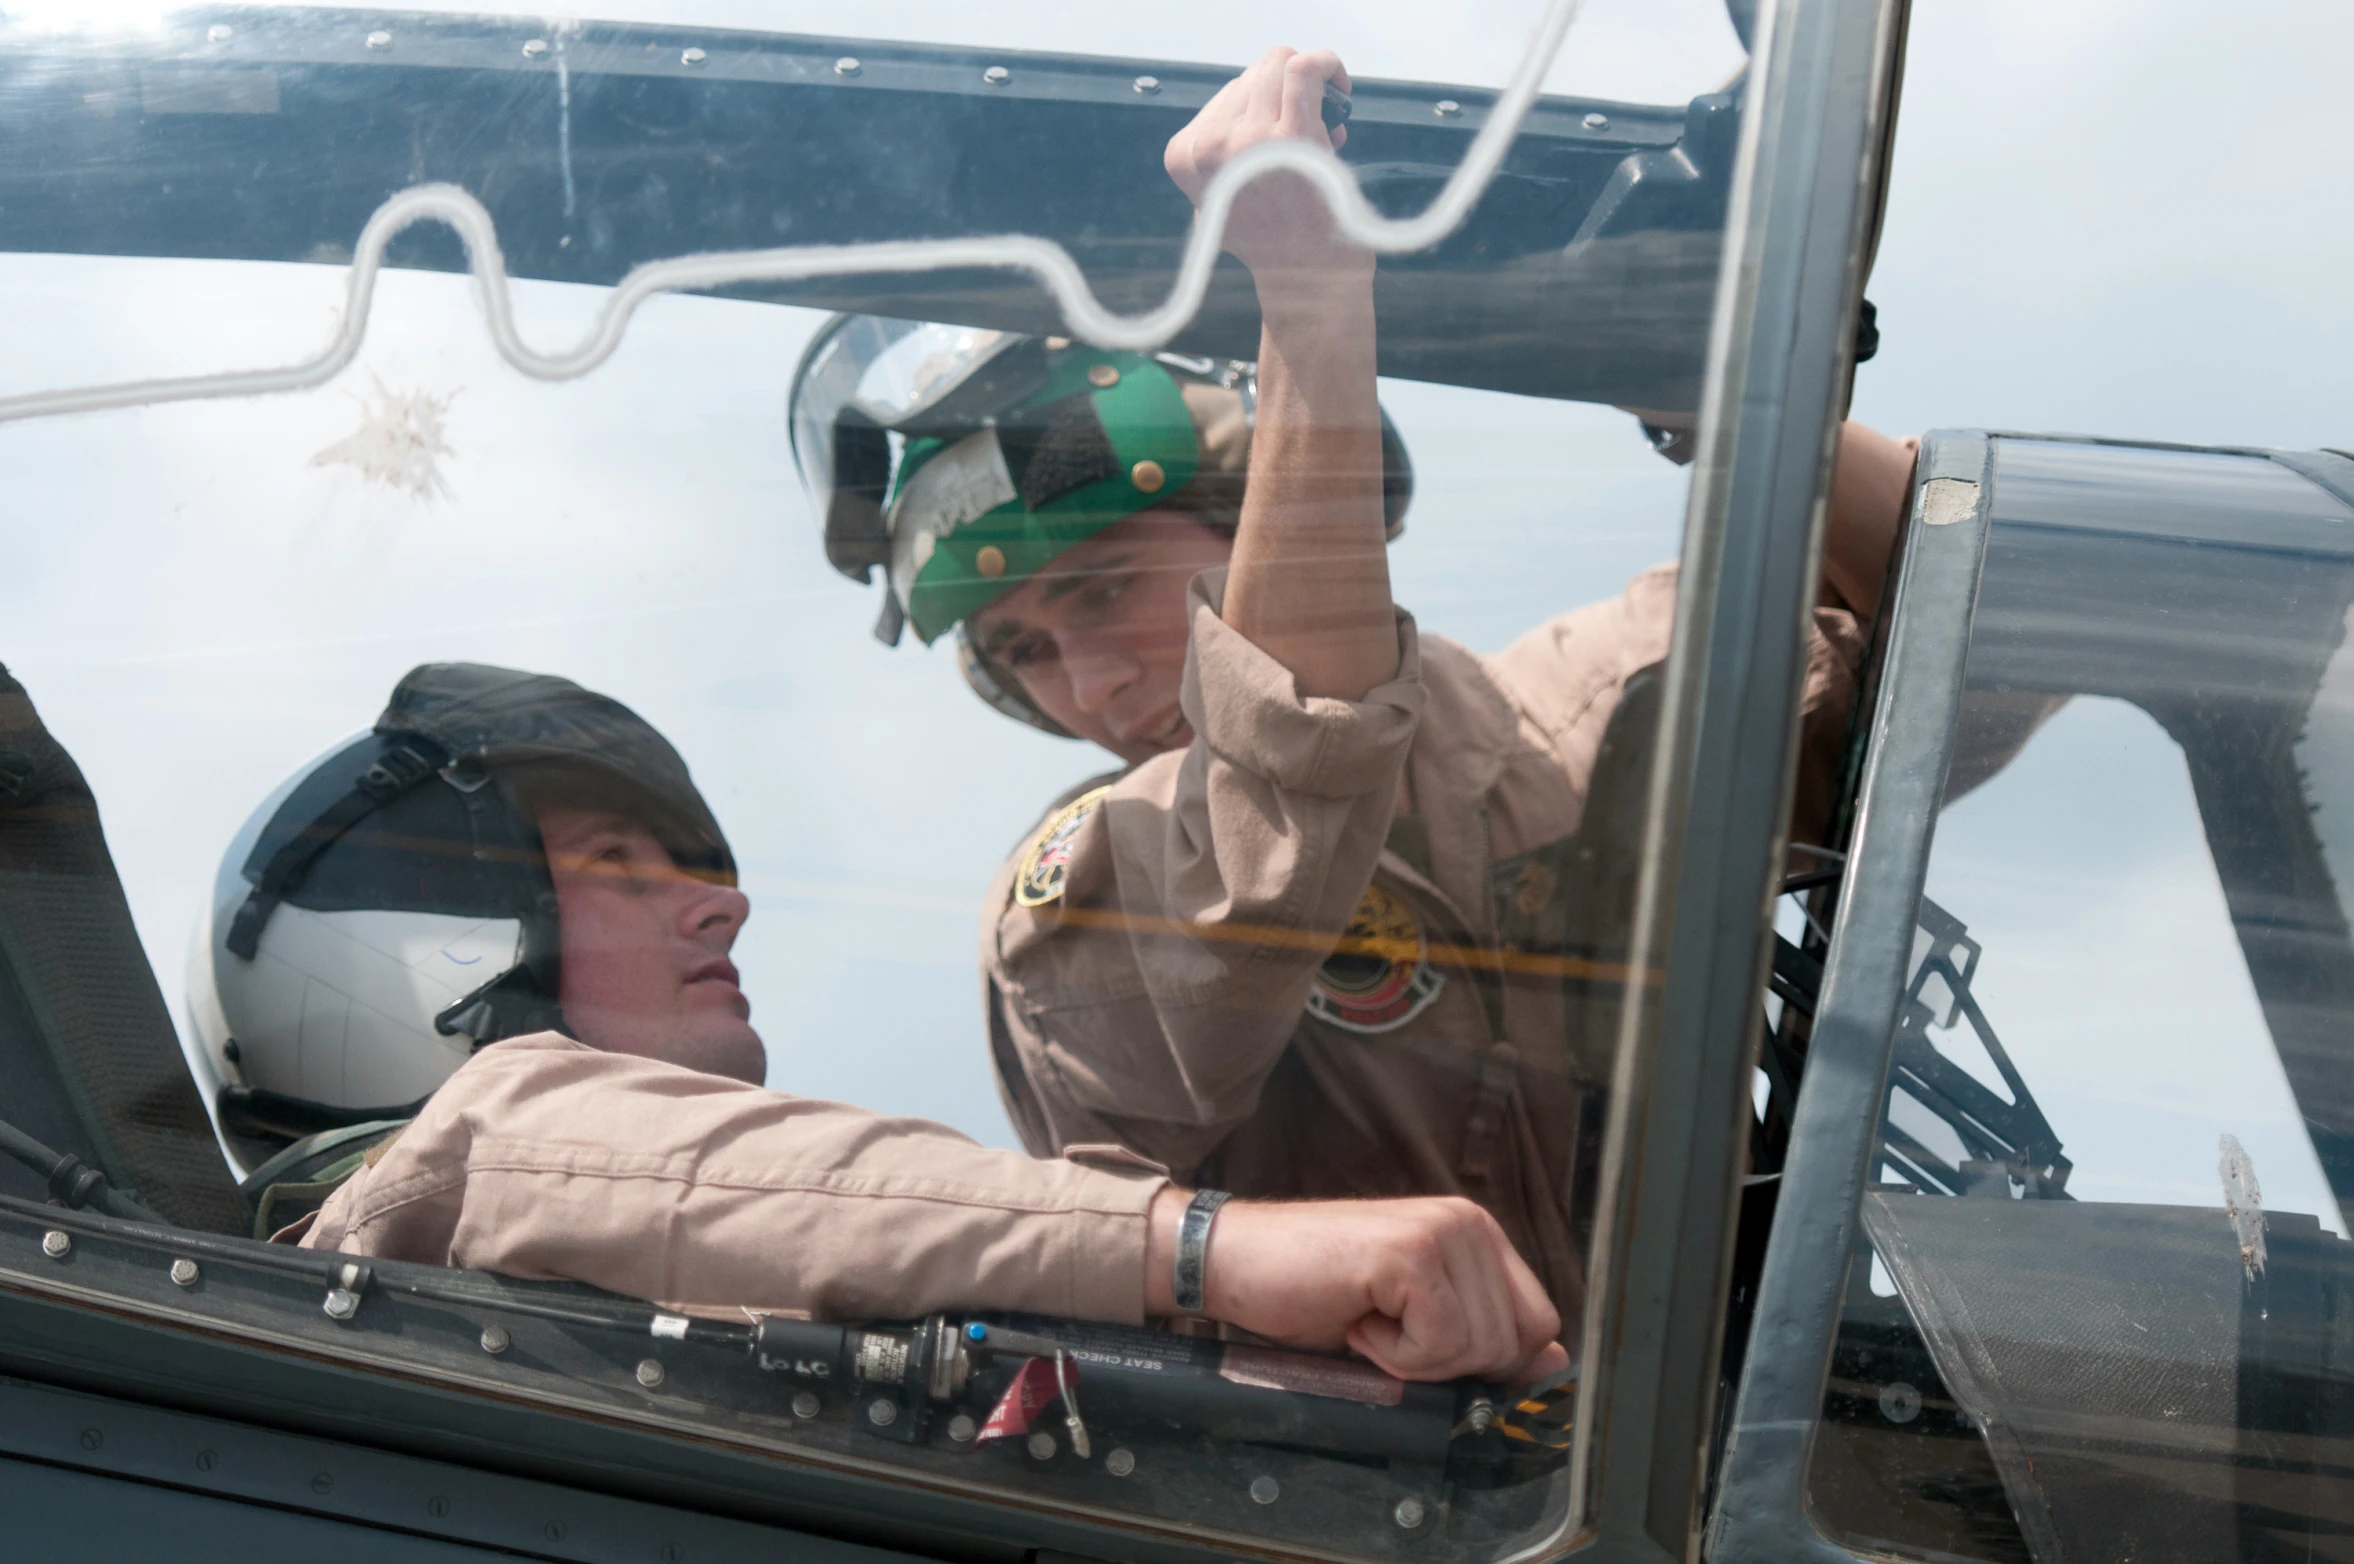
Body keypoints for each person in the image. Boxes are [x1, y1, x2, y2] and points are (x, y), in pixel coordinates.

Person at [789, 47, 1921, 1316]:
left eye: (1102, 590)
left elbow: (1950, 622)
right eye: (1023, 652)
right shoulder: (1081, 894)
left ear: (1250, 511)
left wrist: (1712, 386)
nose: (1089, 684)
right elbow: (1278, 785)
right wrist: (1310, 301)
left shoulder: (1573, 716)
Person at [190, 661, 1563, 1384]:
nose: (720, 913)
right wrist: (1208, 1251)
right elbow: (521, 1140)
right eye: (620, 865)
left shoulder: (594, 1316)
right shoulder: (408, 1207)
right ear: (425, 956)